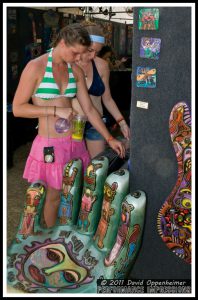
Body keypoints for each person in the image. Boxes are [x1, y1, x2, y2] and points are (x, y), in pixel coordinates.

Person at [12, 23, 126, 228]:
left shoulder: (74, 69)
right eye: (75, 53)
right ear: (63, 43)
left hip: (74, 142)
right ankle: (47, 239)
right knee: (51, 196)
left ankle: (62, 236)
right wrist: (54, 111)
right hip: (50, 144)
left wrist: (109, 138)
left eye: (81, 54)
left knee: (71, 193)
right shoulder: (36, 67)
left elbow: (89, 109)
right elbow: (18, 108)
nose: (78, 59)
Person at [72, 22, 130, 158]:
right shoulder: (69, 63)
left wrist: (121, 122)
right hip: (72, 125)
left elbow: (107, 98)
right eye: (90, 50)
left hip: (96, 124)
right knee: (73, 170)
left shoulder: (102, 65)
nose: (93, 56)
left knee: (96, 169)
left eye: (97, 52)